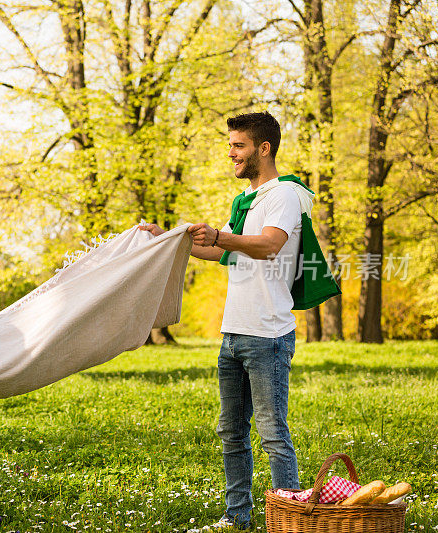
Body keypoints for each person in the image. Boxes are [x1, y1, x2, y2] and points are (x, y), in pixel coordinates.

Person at [141, 111, 306, 531]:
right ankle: (238, 518)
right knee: (231, 432)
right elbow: (224, 252)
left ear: (263, 148)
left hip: (267, 334)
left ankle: (288, 519)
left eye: (238, 145)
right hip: (233, 334)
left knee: (273, 436)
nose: (230, 152)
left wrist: (220, 235)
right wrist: (168, 242)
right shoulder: (246, 202)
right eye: (230, 144)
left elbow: (269, 246)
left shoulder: (283, 195)